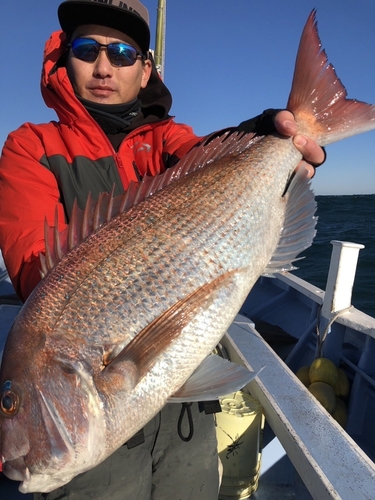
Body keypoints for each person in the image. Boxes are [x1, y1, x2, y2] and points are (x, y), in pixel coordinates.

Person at [0, 1, 325, 498]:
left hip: (184, 416)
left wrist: (272, 134)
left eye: (122, 53)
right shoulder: (31, 146)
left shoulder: (167, 140)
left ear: (145, 67)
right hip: (100, 458)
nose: (104, 66)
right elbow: (33, 272)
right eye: (87, 49)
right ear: (65, 57)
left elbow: (207, 158)